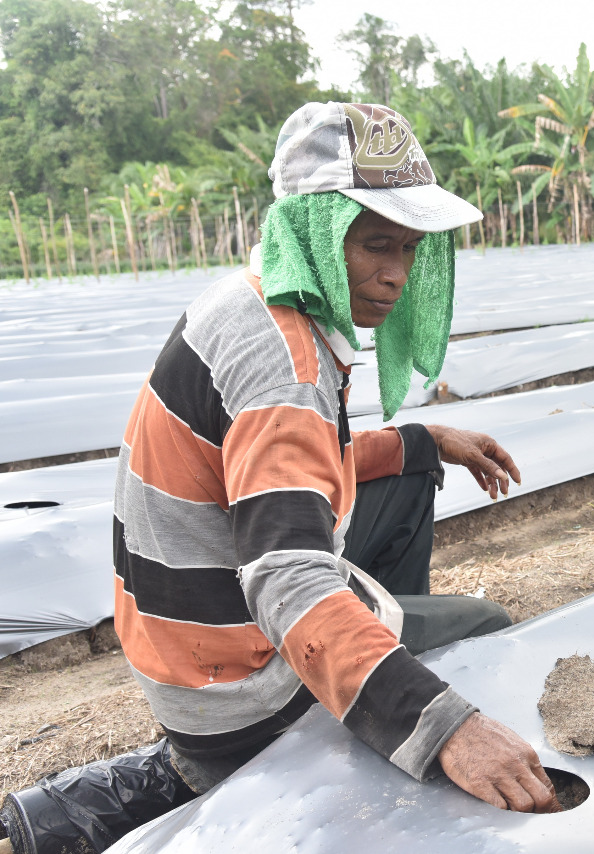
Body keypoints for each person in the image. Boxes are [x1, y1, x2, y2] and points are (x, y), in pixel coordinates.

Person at [0, 103, 558, 854]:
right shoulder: (282, 361)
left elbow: (280, 473)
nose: (397, 273)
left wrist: (421, 440)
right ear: (320, 233)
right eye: (377, 244)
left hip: (184, 641)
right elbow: (288, 578)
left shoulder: (257, 298)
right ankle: (259, 753)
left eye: (412, 247)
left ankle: (321, 696)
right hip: (229, 683)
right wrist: (447, 726)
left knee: (402, 476)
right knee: (480, 631)